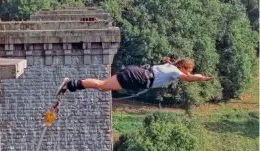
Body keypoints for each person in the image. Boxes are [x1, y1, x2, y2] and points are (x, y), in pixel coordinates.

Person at [57, 57, 214, 95]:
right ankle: (70, 84)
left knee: (103, 86)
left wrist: (198, 77)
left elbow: (187, 77)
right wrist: (202, 78)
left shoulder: (170, 66)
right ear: (184, 67)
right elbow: (188, 78)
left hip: (137, 73)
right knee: (102, 86)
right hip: (138, 77)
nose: (189, 73)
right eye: (190, 70)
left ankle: (71, 84)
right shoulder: (175, 71)